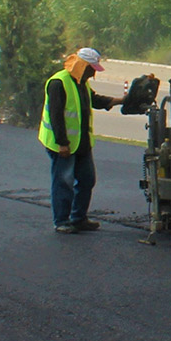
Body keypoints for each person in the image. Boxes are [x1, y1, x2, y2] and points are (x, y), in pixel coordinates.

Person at [41, 46, 120, 233]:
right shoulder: (58, 83)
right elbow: (56, 116)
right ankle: (61, 221)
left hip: (82, 143)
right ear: (81, 65)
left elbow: (95, 100)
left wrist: (121, 100)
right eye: (92, 69)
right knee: (64, 182)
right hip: (63, 145)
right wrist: (62, 143)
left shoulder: (81, 82)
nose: (93, 74)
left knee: (87, 179)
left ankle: (79, 218)